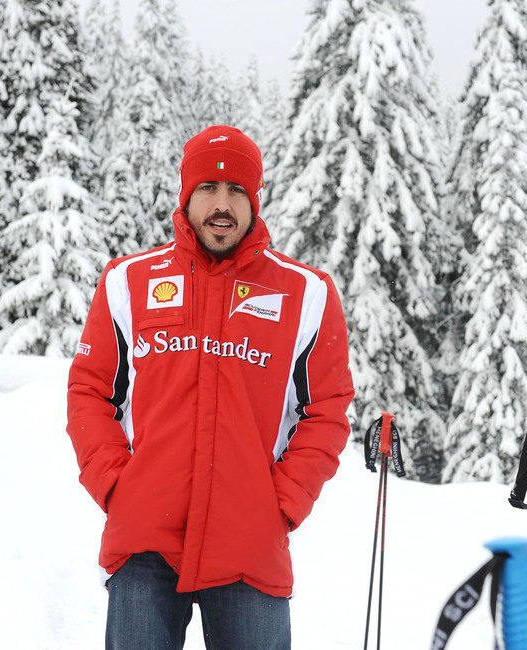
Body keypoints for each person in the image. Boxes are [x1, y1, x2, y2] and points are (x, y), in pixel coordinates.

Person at [67, 124, 355, 649]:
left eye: (237, 191)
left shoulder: (305, 293)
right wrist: (115, 485)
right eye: (208, 188)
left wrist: (284, 502)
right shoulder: (128, 281)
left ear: (255, 199)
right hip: (144, 539)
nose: (222, 204)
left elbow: (328, 410)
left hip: (250, 542)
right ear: (186, 194)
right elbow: (90, 391)